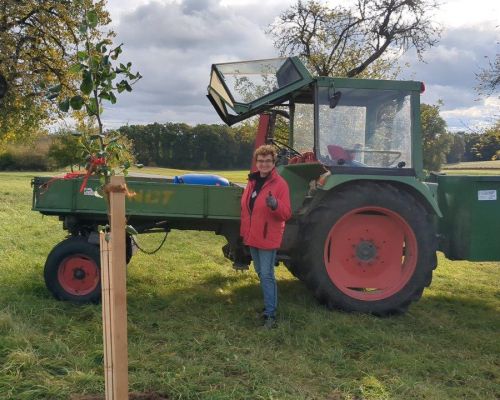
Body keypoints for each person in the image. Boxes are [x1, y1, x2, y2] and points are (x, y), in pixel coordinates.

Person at [240, 145, 291, 329]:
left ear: (273, 162)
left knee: (267, 274)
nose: (264, 164)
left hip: (268, 236)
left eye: (268, 161)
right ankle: (268, 308)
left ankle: (270, 315)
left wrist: (276, 204)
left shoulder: (280, 184)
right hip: (253, 235)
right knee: (261, 272)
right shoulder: (252, 181)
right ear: (256, 162)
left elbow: (286, 213)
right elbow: (247, 208)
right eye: (261, 161)